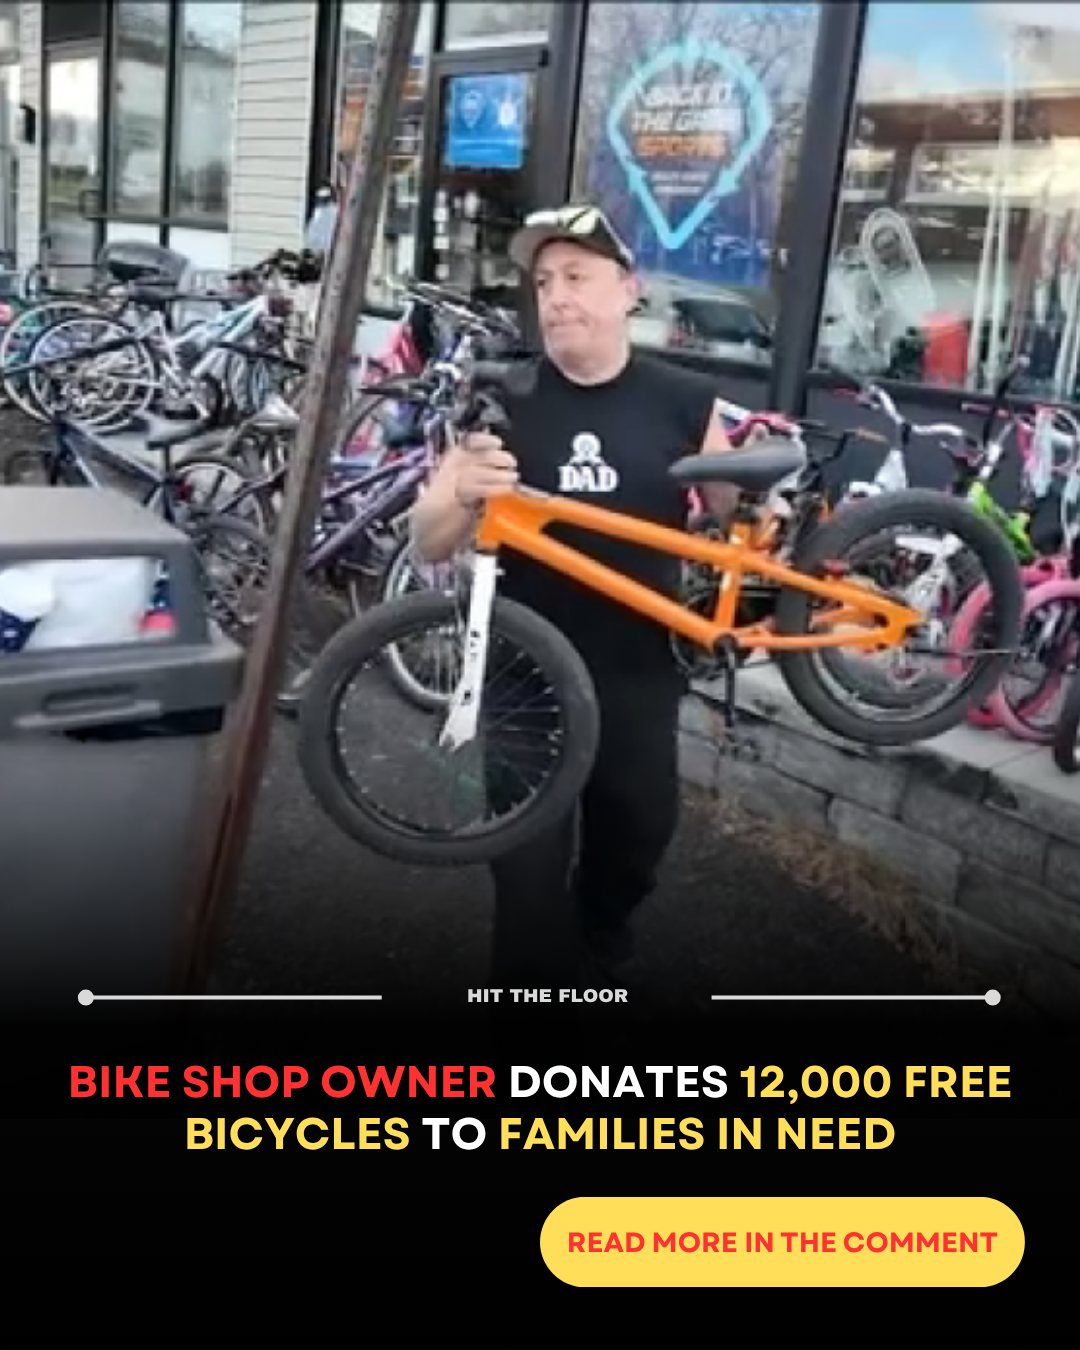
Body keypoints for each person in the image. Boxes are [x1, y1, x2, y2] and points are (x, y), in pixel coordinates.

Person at [409, 203, 745, 986]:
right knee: (525, 889)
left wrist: (765, 489)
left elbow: (733, 511)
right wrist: (466, 492)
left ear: (627, 289)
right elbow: (429, 538)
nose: (556, 297)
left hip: (637, 674)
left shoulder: (684, 399)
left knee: (637, 843)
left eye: (576, 277)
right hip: (524, 680)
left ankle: (601, 930)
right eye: (543, 282)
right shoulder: (505, 394)